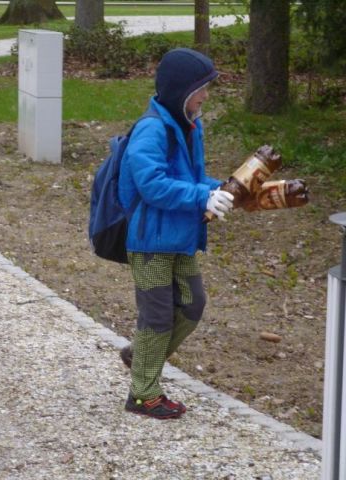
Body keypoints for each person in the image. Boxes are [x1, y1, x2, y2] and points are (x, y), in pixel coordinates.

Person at [117, 48, 234, 419]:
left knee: (193, 304)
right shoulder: (152, 129)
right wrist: (203, 195)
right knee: (157, 317)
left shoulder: (189, 125)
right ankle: (143, 394)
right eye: (201, 89)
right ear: (181, 90)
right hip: (150, 242)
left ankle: (140, 356)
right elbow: (152, 185)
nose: (205, 96)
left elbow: (194, 180)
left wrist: (225, 190)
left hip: (179, 239)